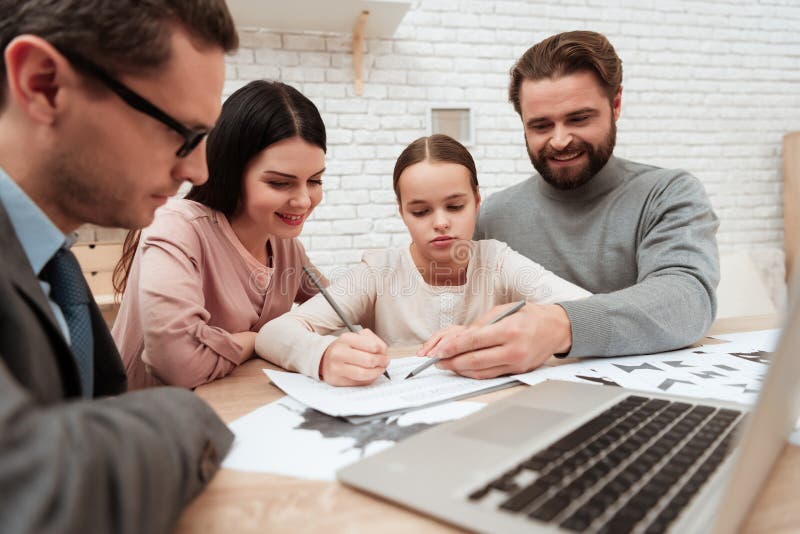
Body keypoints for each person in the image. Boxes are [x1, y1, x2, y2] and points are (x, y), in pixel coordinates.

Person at [0, 1, 239, 532]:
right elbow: (27, 483)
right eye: (183, 133)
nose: (197, 169)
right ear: (43, 85)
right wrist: (189, 416)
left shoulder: (51, 259)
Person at [428, 30, 720, 379]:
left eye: (579, 119)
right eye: (540, 125)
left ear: (616, 105)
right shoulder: (493, 214)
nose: (560, 140)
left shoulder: (668, 193)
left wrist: (559, 325)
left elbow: (687, 301)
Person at [255, 134, 591, 386]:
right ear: (401, 212)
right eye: (420, 211)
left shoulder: (498, 261)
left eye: (455, 207)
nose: (441, 222)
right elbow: (273, 333)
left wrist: (541, 323)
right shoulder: (379, 271)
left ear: (477, 201)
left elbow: (591, 308)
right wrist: (324, 356)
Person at [112, 80, 327, 390]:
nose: (304, 201)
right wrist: (257, 340)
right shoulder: (176, 228)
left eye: (315, 181)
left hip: (230, 414)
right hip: (141, 426)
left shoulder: (286, 247)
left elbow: (339, 307)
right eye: (280, 183)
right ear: (231, 173)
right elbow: (179, 364)